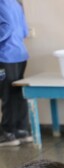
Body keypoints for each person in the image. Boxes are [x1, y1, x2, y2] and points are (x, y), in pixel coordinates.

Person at [0, 0, 31, 146]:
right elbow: (24, 30)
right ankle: (22, 130)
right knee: (17, 93)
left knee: (7, 94)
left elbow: (7, 27)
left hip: (5, 56)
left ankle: (8, 133)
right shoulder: (16, 3)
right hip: (20, 54)